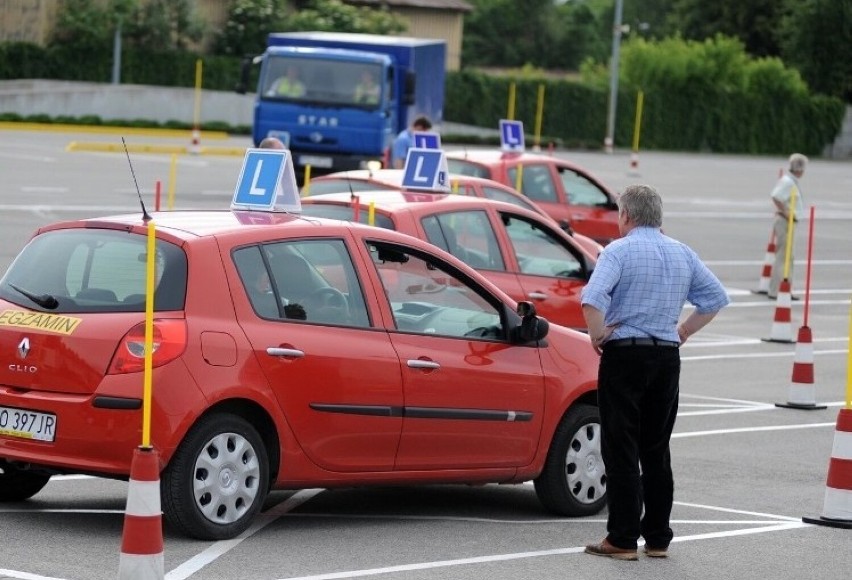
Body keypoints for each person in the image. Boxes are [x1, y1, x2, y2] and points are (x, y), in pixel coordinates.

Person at [580, 184, 729, 561]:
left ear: (626, 215)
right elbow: (714, 298)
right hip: (665, 358)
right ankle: (659, 538)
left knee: (621, 446)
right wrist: (684, 331)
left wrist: (598, 335)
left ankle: (623, 538)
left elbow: (592, 299)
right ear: (658, 216)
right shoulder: (682, 253)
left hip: (625, 356)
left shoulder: (618, 250)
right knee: (656, 448)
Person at [768, 153, 808, 300]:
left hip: (790, 221)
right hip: (786, 221)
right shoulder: (788, 182)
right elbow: (776, 197)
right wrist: (786, 213)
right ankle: (777, 290)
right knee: (784, 256)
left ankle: (783, 288)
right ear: (799, 169)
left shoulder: (791, 181)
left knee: (788, 257)